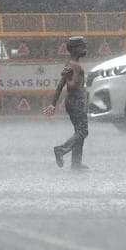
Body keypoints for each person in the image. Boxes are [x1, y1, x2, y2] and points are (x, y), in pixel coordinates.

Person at [46, 36, 90, 170]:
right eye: (82, 47)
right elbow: (71, 85)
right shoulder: (75, 66)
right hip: (76, 100)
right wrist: (80, 86)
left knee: (79, 131)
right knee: (83, 132)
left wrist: (53, 104)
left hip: (71, 101)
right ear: (75, 49)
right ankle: (61, 150)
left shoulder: (69, 63)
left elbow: (60, 85)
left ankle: (76, 163)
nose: (85, 50)